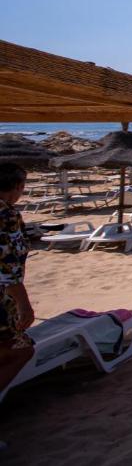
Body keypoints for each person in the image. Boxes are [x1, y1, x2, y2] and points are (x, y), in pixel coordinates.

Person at [0, 164, 34, 393]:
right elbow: (6, 265)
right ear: (17, 186)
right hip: (2, 298)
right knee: (21, 350)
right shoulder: (6, 215)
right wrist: (24, 304)